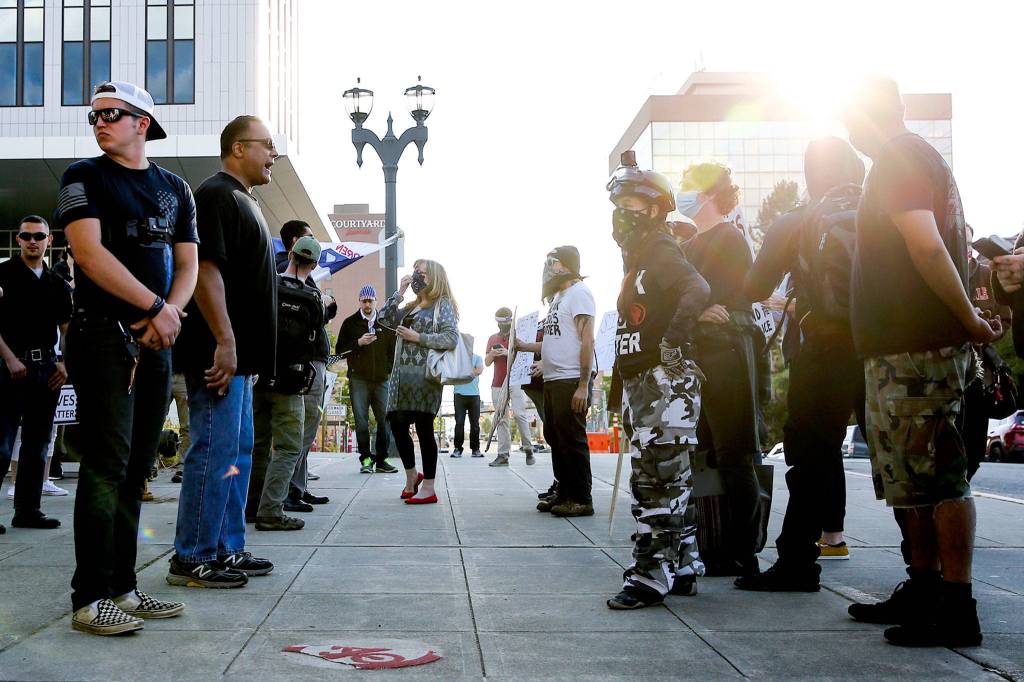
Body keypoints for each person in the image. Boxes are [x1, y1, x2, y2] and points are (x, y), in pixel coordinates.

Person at [843, 76, 998, 648]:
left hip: (918, 351)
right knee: (913, 484)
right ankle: (926, 588)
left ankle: (956, 606)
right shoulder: (910, 157)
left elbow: (929, 246)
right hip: (901, 350)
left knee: (940, 478)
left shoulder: (899, 158)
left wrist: (970, 320)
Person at [57, 81, 197, 634]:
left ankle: (122, 586)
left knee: (137, 467)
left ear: (143, 122)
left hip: (154, 342)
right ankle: (90, 596)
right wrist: (156, 307)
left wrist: (170, 315)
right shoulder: (82, 176)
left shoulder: (174, 188)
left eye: (111, 114)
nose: (99, 122)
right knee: (106, 465)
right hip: (103, 337)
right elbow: (88, 254)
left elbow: (187, 262)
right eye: (94, 115)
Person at [735, 137, 867, 593]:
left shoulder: (799, 220)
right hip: (883, 348)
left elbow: (753, 285)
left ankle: (797, 562)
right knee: (903, 464)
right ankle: (929, 579)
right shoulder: (882, 209)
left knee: (810, 456)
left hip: (826, 350)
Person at [169, 115, 279, 588]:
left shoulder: (246, 201)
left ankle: (227, 547)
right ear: (238, 148)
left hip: (240, 362)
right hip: (219, 355)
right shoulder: (215, 194)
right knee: (213, 451)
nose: (274, 154)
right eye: (267, 145)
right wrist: (225, 341)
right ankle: (192, 556)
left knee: (236, 452)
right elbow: (205, 272)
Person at [603, 155, 710, 609]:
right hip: (647, 383)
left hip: (662, 383)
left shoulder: (659, 249)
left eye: (631, 201)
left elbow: (698, 290)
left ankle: (652, 572)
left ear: (655, 207)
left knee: (656, 481)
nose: (621, 210)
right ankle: (683, 563)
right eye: (618, 201)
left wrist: (671, 345)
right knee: (672, 477)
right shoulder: (640, 259)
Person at [677, 161, 762, 577]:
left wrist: (706, 310)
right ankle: (711, 542)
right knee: (705, 453)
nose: (682, 193)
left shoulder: (730, 237)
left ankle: (743, 551)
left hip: (727, 356)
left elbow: (733, 303)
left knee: (734, 454)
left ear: (709, 192)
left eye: (688, 186)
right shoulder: (690, 244)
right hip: (698, 359)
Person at [246, 236, 325, 531]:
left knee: (258, 445)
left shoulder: (267, 285)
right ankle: (271, 511)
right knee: (289, 448)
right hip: (292, 382)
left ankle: (251, 506)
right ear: (314, 264)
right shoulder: (313, 298)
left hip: (259, 377)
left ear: (290, 254)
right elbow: (316, 336)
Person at [0, 216, 73, 533]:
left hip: (46, 371)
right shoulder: (3, 274)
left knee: (37, 444)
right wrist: (9, 359)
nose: (33, 240)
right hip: (8, 369)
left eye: (39, 236)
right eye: (26, 236)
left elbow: (66, 327)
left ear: (49, 240)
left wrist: (65, 363)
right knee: (1, 443)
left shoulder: (57, 284)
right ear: (18, 240)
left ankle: (28, 510)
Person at [518, 246, 595, 517]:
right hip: (553, 378)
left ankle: (581, 497)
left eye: (554, 262)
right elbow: (554, 339)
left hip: (571, 378)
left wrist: (583, 384)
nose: (549, 268)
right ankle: (563, 492)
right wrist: (525, 345)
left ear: (568, 266)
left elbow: (587, 339)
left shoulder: (579, 294)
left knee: (572, 439)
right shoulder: (558, 298)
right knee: (556, 437)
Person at [378, 259, 459, 504]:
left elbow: (451, 337)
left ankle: (429, 488)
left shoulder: (442, 304)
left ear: (435, 277)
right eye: (416, 273)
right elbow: (382, 319)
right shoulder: (411, 306)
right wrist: (400, 292)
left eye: (422, 274)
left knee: (424, 429)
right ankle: (412, 476)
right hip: (400, 379)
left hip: (425, 378)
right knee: (397, 425)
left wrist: (418, 337)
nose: (418, 277)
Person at [275, 220, 337, 509]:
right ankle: (287, 492)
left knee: (306, 427)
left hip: (312, 359)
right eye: (310, 239)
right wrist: (321, 301)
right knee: (298, 428)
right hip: (303, 362)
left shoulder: (299, 278)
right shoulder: (283, 272)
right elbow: (310, 316)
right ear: (297, 242)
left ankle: (297, 487)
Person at [336, 284, 399, 474]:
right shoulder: (350, 323)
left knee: (384, 420)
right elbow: (340, 351)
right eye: (364, 300)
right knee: (361, 421)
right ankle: (365, 460)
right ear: (359, 301)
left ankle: (382, 460)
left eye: (370, 300)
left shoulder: (385, 322)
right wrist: (358, 343)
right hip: (358, 380)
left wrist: (387, 371)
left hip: (381, 380)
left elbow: (393, 352)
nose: (367, 304)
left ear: (376, 301)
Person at [485, 307, 535, 467]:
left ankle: (528, 448)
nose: (502, 327)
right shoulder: (492, 338)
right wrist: (493, 354)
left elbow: (526, 357)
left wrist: (508, 353)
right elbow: (486, 362)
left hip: (516, 381)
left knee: (520, 414)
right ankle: (503, 455)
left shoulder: (518, 336)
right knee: (501, 419)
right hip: (498, 383)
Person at [452, 352, 484, 457]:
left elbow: (479, 370)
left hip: (474, 395)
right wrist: (471, 371)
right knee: (459, 423)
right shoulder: (457, 358)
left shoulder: (477, 358)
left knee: (475, 424)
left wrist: (463, 373)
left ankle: (475, 449)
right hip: (459, 395)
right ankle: (457, 449)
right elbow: (453, 372)